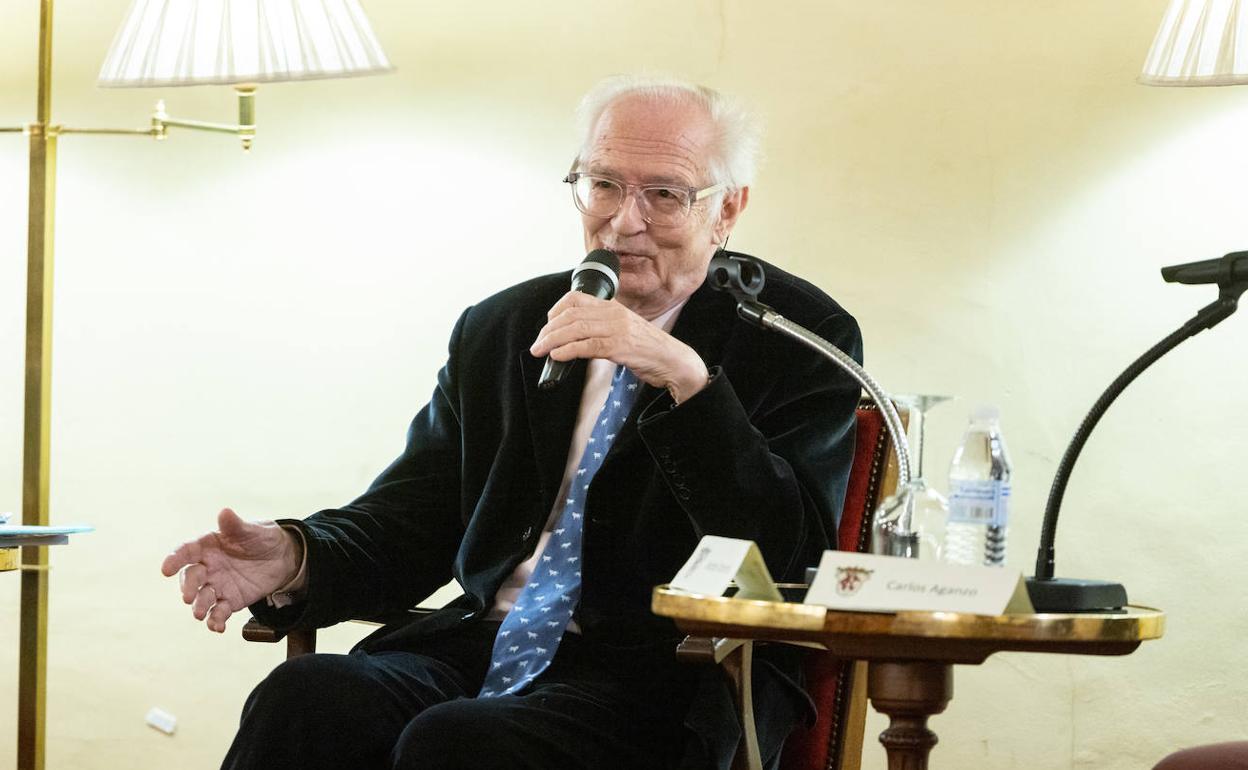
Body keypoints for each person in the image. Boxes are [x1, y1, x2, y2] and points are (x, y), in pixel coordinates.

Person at [162, 74, 863, 770]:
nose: (624, 221)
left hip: (661, 677)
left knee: (459, 744)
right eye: (604, 185)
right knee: (309, 695)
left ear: (728, 210)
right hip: (481, 645)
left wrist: (686, 380)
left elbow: (788, 556)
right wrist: (297, 555)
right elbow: (417, 515)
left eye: (665, 195)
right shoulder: (506, 326)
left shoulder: (798, 338)